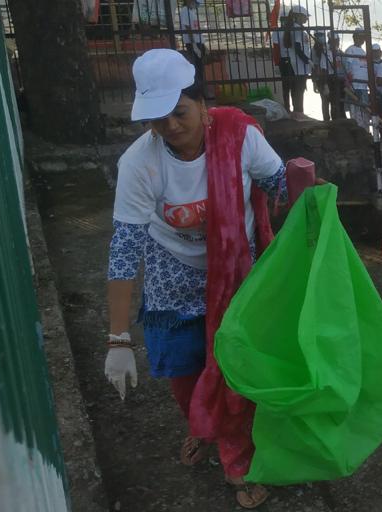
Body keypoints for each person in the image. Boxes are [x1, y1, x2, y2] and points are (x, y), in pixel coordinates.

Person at [103, 49, 290, 509]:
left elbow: (280, 185)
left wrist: (308, 193)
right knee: (183, 374)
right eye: (156, 117)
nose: (169, 126)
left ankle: (237, 458)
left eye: (179, 112)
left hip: (236, 270)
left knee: (235, 370)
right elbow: (125, 247)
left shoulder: (241, 137)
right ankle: (203, 424)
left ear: (203, 103)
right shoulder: (139, 164)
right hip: (173, 271)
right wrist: (118, 338)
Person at [272, 5, 311, 116]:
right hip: (285, 61)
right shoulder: (279, 31)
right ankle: (289, 108)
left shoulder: (293, 29)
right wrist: (276, 63)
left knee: (293, 86)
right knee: (289, 86)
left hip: (290, 61)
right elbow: (276, 49)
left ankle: (294, 110)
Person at [179, 0, 208, 98]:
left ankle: (201, 91)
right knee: (197, 68)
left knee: (200, 67)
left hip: (198, 42)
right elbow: (188, 28)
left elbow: (196, 29)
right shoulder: (185, 10)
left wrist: (203, 44)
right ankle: (200, 93)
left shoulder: (191, 11)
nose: (196, 4)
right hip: (192, 43)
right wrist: (194, 45)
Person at [344, 27, 370, 129]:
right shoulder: (350, 50)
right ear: (354, 37)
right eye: (359, 37)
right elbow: (347, 67)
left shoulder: (363, 52)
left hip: (363, 87)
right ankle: (358, 133)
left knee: (365, 113)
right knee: (355, 114)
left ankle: (366, 133)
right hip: (355, 86)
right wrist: (351, 86)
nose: (361, 39)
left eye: (363, 37)